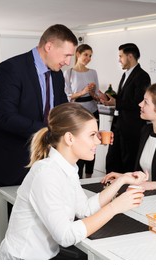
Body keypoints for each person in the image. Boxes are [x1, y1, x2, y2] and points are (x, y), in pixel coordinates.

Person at [0, 103, 146, 260]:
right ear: (69, 138)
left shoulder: (68, 168)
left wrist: (121, 180)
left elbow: (84, 209)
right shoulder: (46, 174)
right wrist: (115, 207)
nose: (98, 141)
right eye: (92, 135)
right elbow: (65, 236)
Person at [0, 24, 76, 247]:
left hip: (37, 161)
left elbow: (61, 110)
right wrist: (51, 132)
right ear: (49, 46)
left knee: (27, 225)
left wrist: (82, 126)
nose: (68, 61)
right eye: (66, 54)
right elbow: (6, 118)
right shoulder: (10, 69)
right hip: (4, 160)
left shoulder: (57, 76)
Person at [101, 43, 151, 173]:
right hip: (119, 126)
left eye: (120, 56)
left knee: (127, 164)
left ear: (129, 56)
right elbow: (126, 98)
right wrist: (108, 98)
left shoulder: (142, 76)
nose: (119, 60)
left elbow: (138, 102)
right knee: (112, 161)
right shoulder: (126, 74)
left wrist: (116, 103)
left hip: (131, 129)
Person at [64, 44, 102, 178]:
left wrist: (92, 93)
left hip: (93, 110)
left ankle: (89, 177)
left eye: (90, 56)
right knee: (79, 143)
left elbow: (97, 96)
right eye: (86, 54)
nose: (88, 58)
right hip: (77, 112)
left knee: (94, 142)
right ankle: (77, 176)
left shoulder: (93, 72)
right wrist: (82, 92)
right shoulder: (68, 73)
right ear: (78, 54)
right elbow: (67, 95)